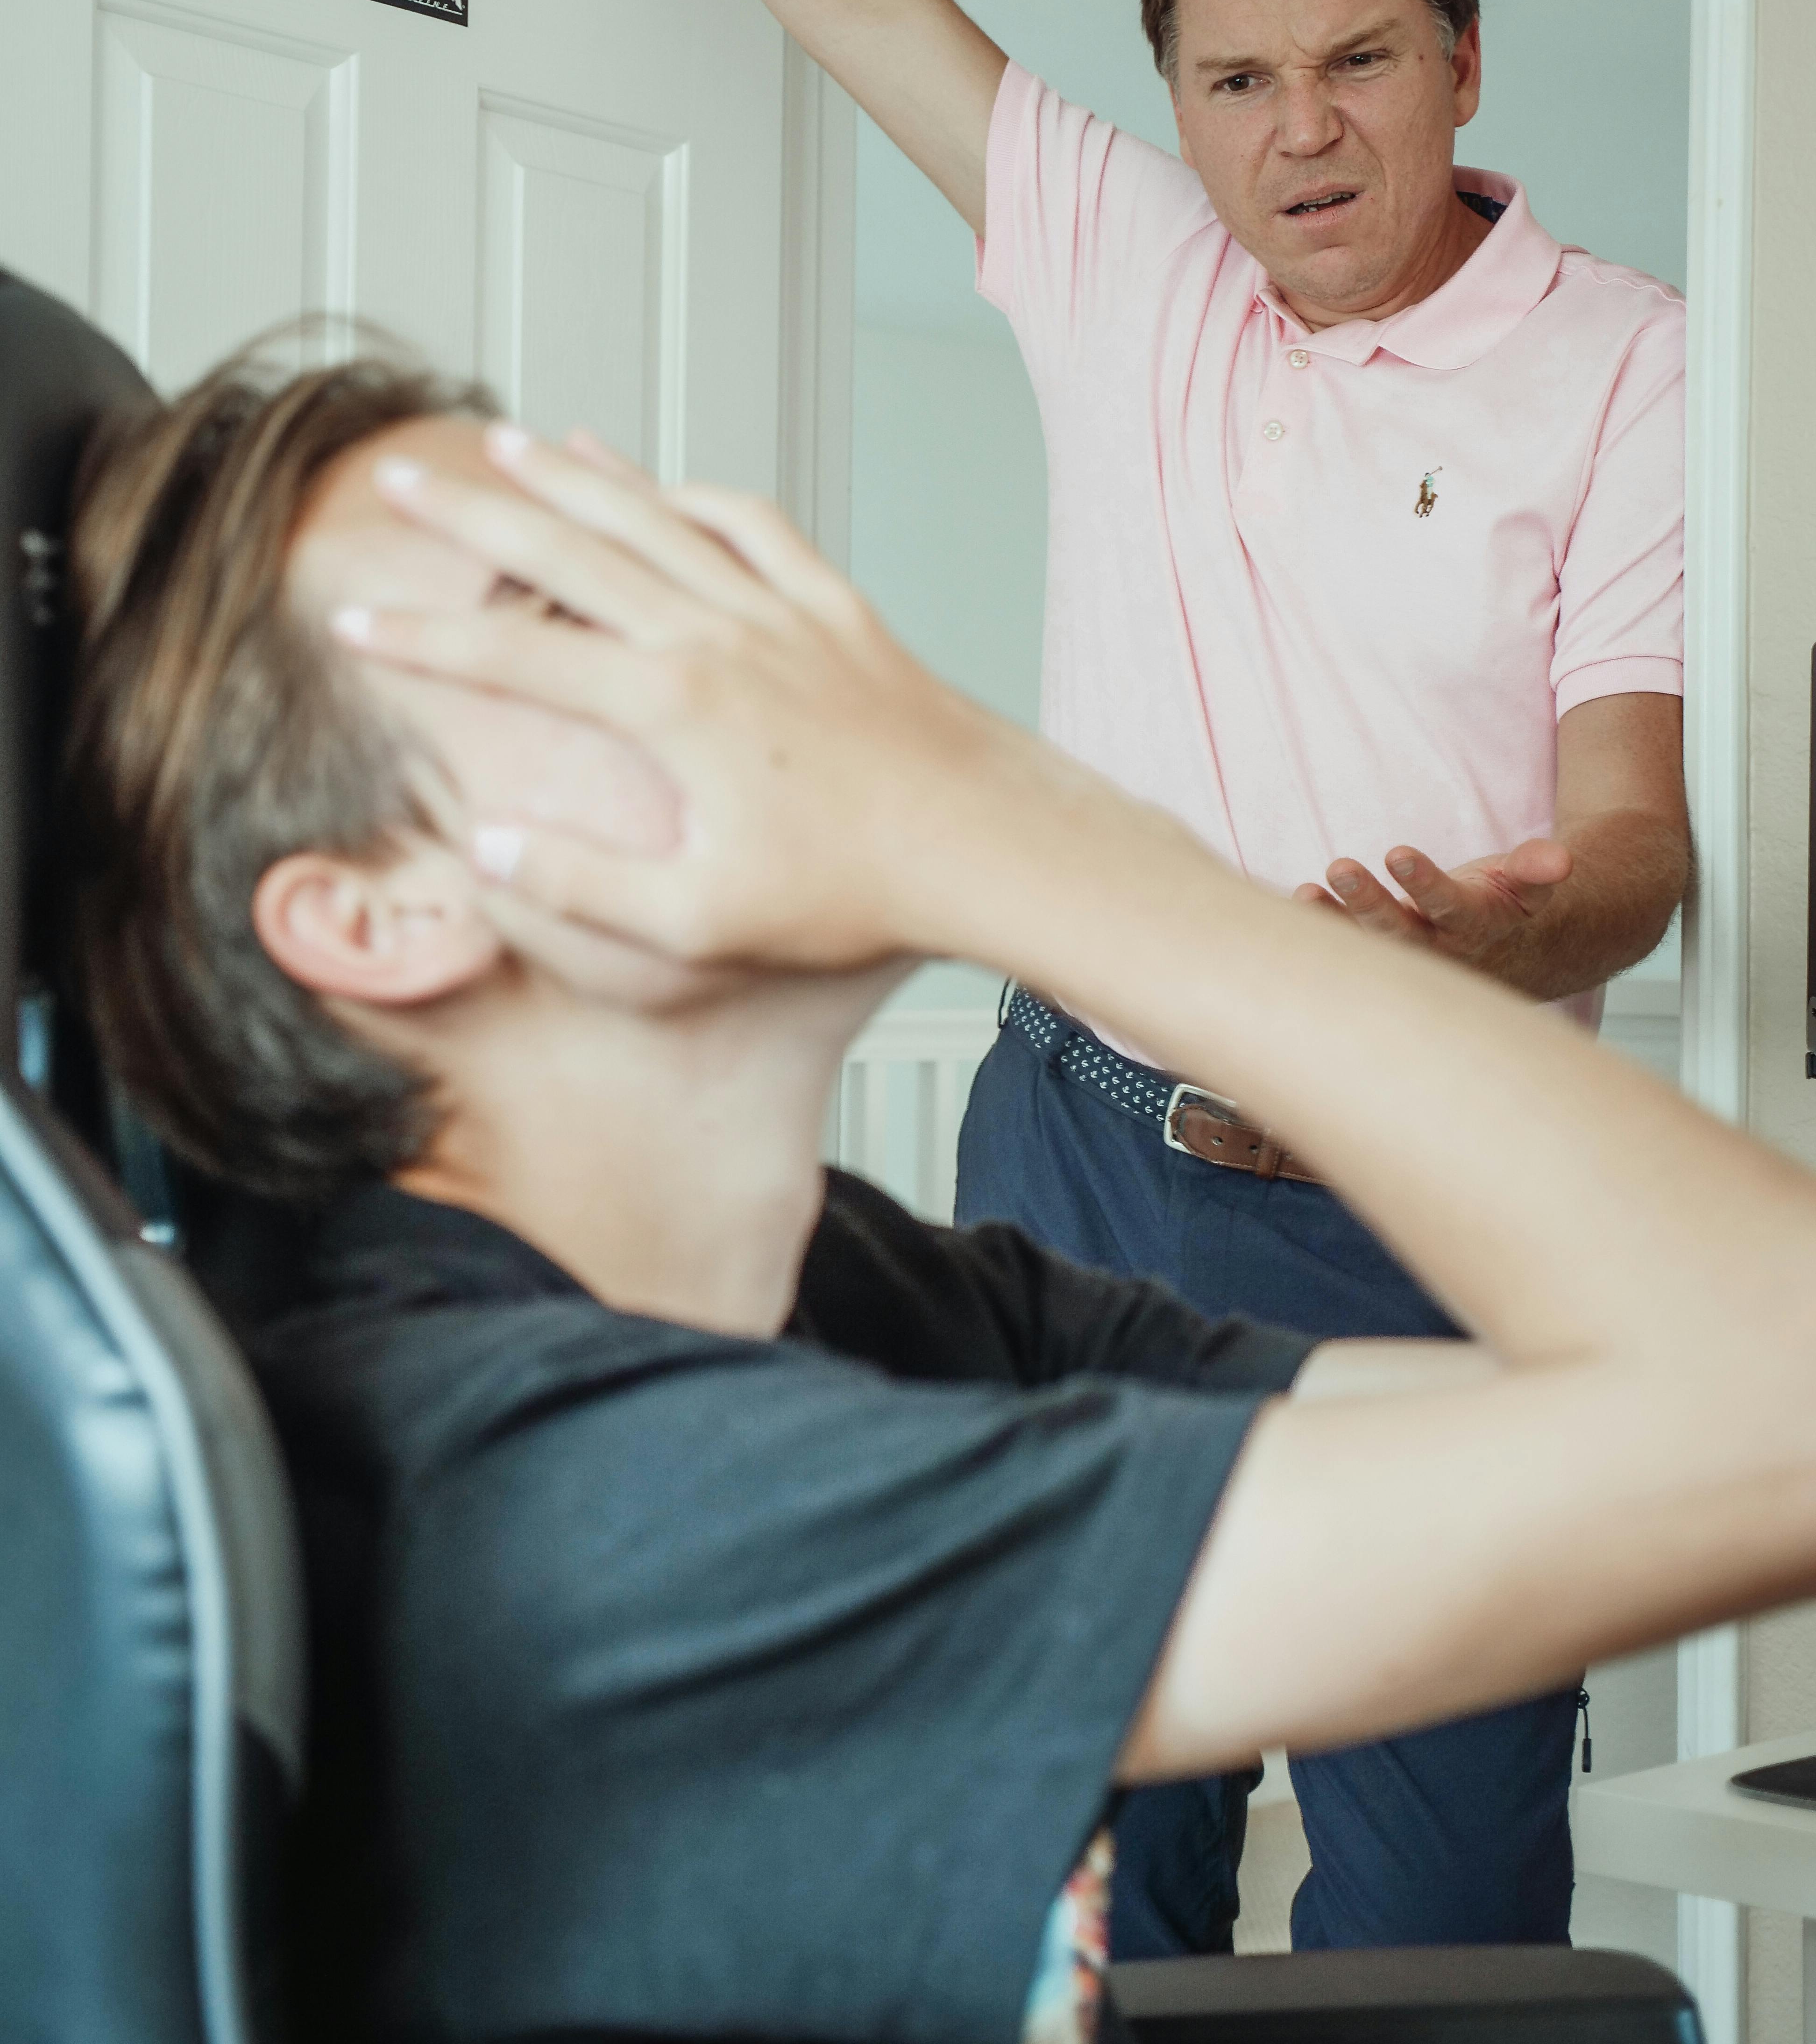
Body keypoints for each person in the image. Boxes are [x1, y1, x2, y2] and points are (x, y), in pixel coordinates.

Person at [65, 355, 1815, 2044]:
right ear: (374, 920)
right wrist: (1005, 834)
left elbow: (1681, 1393)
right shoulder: (579, 1511)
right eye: (562, 616)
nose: (733, 623)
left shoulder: (821, 1285)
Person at [524, 0, 1691, 1954]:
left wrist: (1490, 942)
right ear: (1175, 109)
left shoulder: (1628, 361)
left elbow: (1639, 835)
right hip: (1068, 1162)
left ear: (1461, 59)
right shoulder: (1128, 261)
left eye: (1358, 58)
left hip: (1423, 1217)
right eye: (1237, 78)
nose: (1302, 127)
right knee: (1089, 1870)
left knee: (1440, 1934)